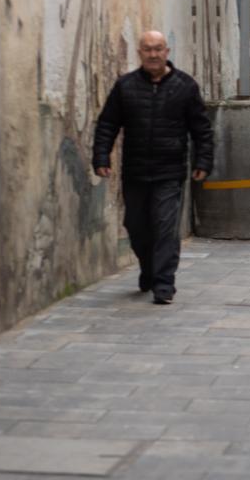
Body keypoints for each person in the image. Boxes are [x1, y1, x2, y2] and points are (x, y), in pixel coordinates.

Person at [93, 30, 213, 305]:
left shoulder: (185, 86)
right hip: (134, 171)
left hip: (169, 172)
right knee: (135, 226)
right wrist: (101, 157)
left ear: (166, 52)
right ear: (140, 53)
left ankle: (163, 284)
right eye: (147, 49)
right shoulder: (126, 87)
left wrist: (203, 162)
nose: (153, 54)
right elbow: (108, 124)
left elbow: (201, 130)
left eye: (158, 49)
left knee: (164, 227)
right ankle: (148, 268)